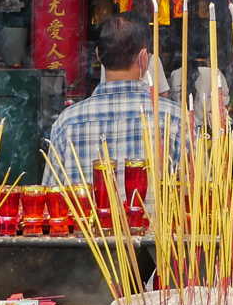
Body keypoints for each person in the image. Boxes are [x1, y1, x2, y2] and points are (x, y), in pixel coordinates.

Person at [45, 13, 185, 182]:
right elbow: (203, 193)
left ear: (98, 56)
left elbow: (51, 197)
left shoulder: (66, 123)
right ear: (143, 59)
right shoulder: (175, 119)